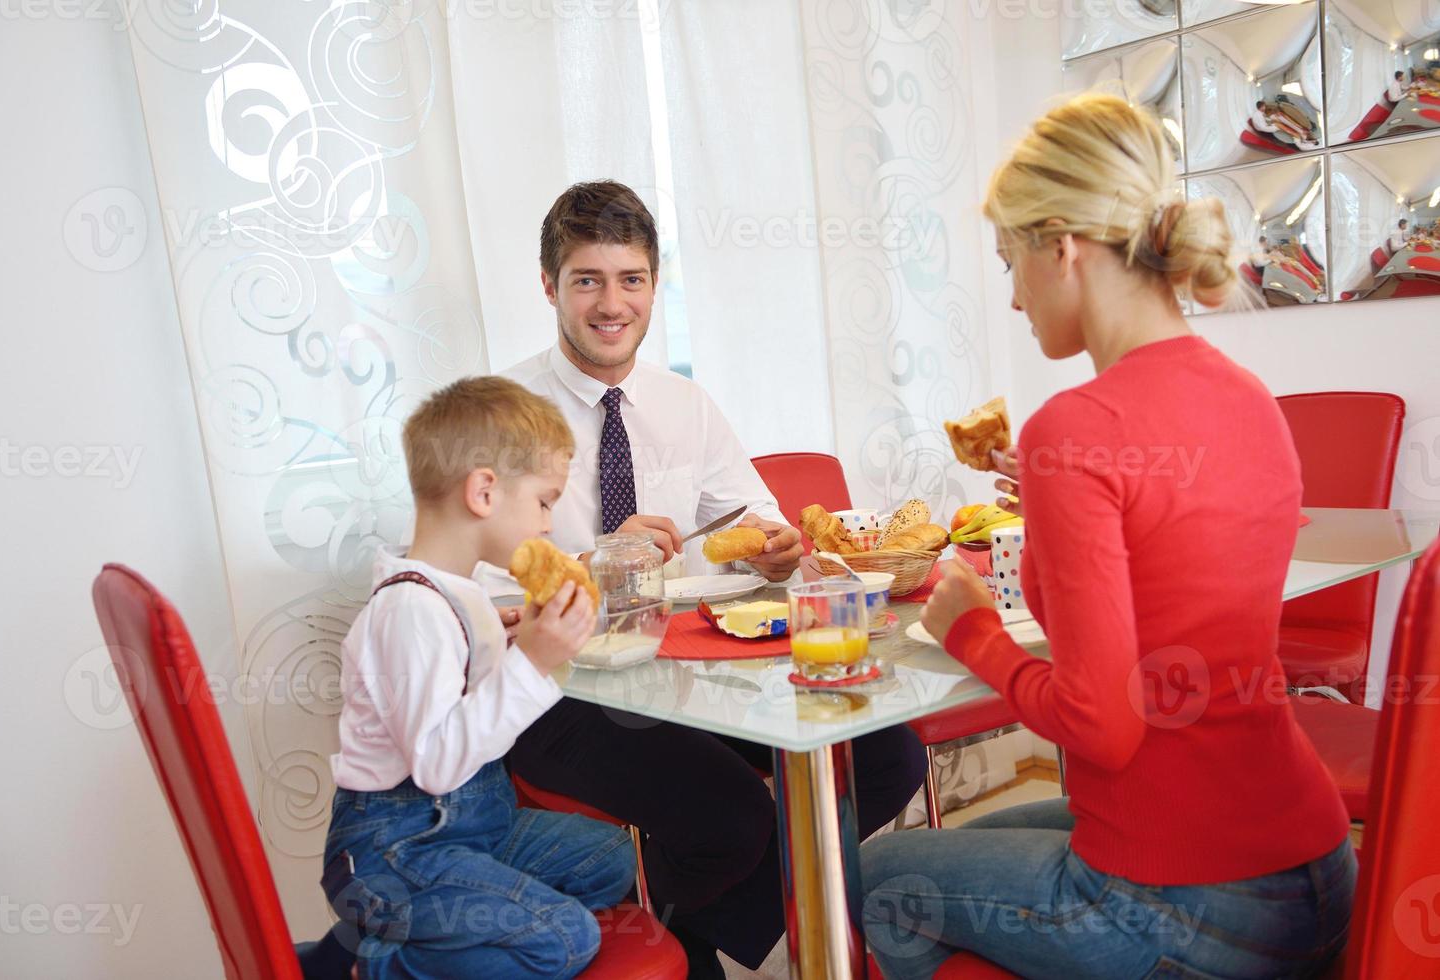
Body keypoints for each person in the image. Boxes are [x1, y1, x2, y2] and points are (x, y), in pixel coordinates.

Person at [859, 94, 1354, 979]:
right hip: (1314, 869)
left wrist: (967, 627)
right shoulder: (1247, 398)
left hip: (1188, 903)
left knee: (870, 879)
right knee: (971, 840)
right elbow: (1174, 551)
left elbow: (1102, 726)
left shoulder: (1073, 426)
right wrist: (1051, 490)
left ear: (1061, 247)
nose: (1010, 297)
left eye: (1009, 261)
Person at [501, 180, 927, 978]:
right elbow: (466, 592)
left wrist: (770, 546)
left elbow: (758, 518)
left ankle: (665, 921)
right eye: (586, 280)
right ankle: (675, 930)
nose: (610, 304)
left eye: (630, 280)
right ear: (548, 284)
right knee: (730, 816)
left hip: (677, 673)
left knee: (887, 759)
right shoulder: (502, 411)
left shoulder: (683, 403)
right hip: (556, 694)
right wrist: (595, 564)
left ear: (655, 285)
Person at [322, 376, 638, 979]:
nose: (549, 526)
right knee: (565, 940)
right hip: (397, 851)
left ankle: (464, 919)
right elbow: (438, 764)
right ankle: (368, 965)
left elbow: (461, 692)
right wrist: (534, 662)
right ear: (484, 492)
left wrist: (508, 642)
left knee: (609, 858)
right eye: (545, 502)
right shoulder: (409, 610)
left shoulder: (455, 597)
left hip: (470, 831)